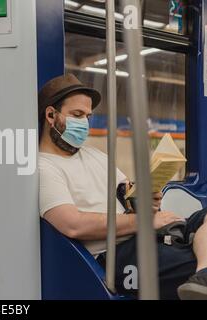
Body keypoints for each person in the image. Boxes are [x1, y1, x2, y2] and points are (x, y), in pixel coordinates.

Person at [38, 74, 207, 300]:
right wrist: (142, 221)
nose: (85, 123)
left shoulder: (94, 155)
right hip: (115, 256)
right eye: (77, 115)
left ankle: (203, 274)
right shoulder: (42, 166)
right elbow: (73, 224)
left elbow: (126, 193)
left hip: (145, 235)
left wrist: (144, 199)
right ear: (51, 115)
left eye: (88, 116)